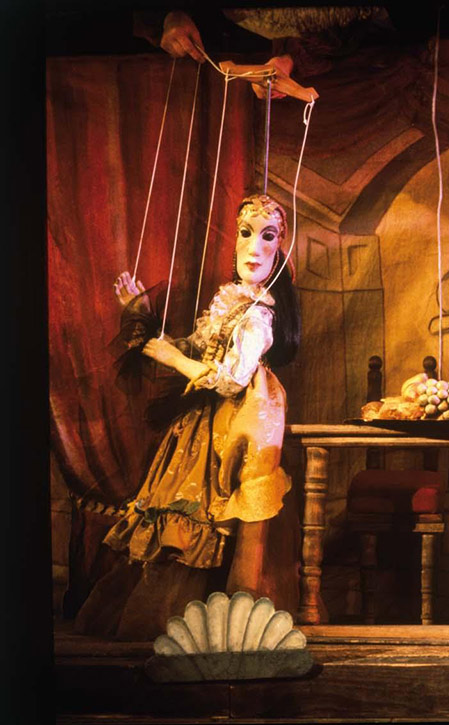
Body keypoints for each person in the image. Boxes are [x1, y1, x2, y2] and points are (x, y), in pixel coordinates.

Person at [74, 194, 301, 641]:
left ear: (279, 249)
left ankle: (217, 618)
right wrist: (144, 318)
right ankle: (165, 618)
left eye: (268, 237)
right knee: (177, 505)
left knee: (218, 511)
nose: (255, 248)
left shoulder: (259, 315)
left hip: (238, 421)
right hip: (201, 418)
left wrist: (172, 358)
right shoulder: (231, 300)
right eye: (246, 233)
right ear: (234, 240)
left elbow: (230, 379)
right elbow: (194, 349)